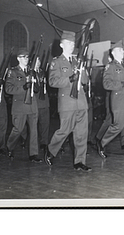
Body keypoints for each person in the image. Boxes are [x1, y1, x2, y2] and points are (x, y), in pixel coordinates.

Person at [44, 31, 91, 172]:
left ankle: (79, 162)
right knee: (64, 130)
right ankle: (51, 150)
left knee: (82, 133)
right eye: (68, 43)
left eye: (72, 43)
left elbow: (85, 81)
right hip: (67, 103)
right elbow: (52, 81)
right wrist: (70, 78)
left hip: (81, 102)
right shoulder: (56, 62)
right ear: (61, 44)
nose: (71, 46)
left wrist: (83, 72)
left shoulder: (77, 60)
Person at [5, 49, 42, 162]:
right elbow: (8, 89)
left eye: (27, 57)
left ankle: (33, 154)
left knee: (34, 130)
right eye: (23, 57)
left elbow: (37, 88)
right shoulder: (13, 72)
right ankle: (10, 147)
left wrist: (35, 86)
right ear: (18, 58)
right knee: (18, 129)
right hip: (20, 106)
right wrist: (23, 88)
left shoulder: (32, 71)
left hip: (32, 105)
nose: (26, 59)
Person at [21, 57, 51, 151]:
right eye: (36, 61)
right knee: (32, 125)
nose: (38, 63)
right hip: (34, 101)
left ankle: (44, 142)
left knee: (45, 123)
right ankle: (25, 140)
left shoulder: (42, 72)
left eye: (39, 61)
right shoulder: (28, 73)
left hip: (44, 101)